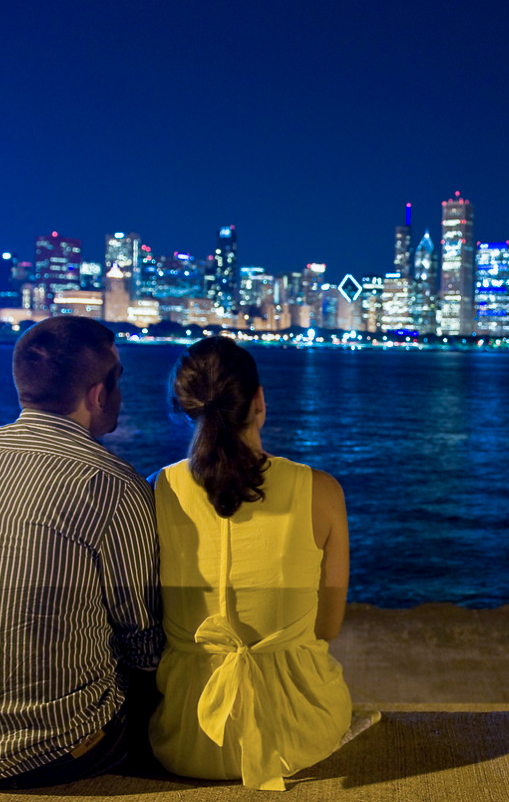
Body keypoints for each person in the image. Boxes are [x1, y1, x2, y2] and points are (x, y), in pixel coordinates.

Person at [0, 316, 164, 789]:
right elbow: (142, 642)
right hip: (57, 748)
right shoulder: (110, 483)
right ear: (98, 394)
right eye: (117, 380)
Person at [148, 336, 353, 791]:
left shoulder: (157, 492)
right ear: (258, 402)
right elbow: (328, 626)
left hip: (187, 734)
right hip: (298, 731)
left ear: (185, 409)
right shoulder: (320, 491)